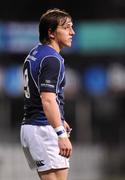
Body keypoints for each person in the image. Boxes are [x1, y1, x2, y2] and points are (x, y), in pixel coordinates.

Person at [20, 8, 75, 180]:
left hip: (31, 126)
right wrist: (60, 133)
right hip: (43, 129)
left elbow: (41, 94)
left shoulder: (36, 52)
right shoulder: (52, 59)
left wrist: (59, 118)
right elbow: (47, 99)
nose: (72, 32)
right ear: (51, 33)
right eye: (66, 28)